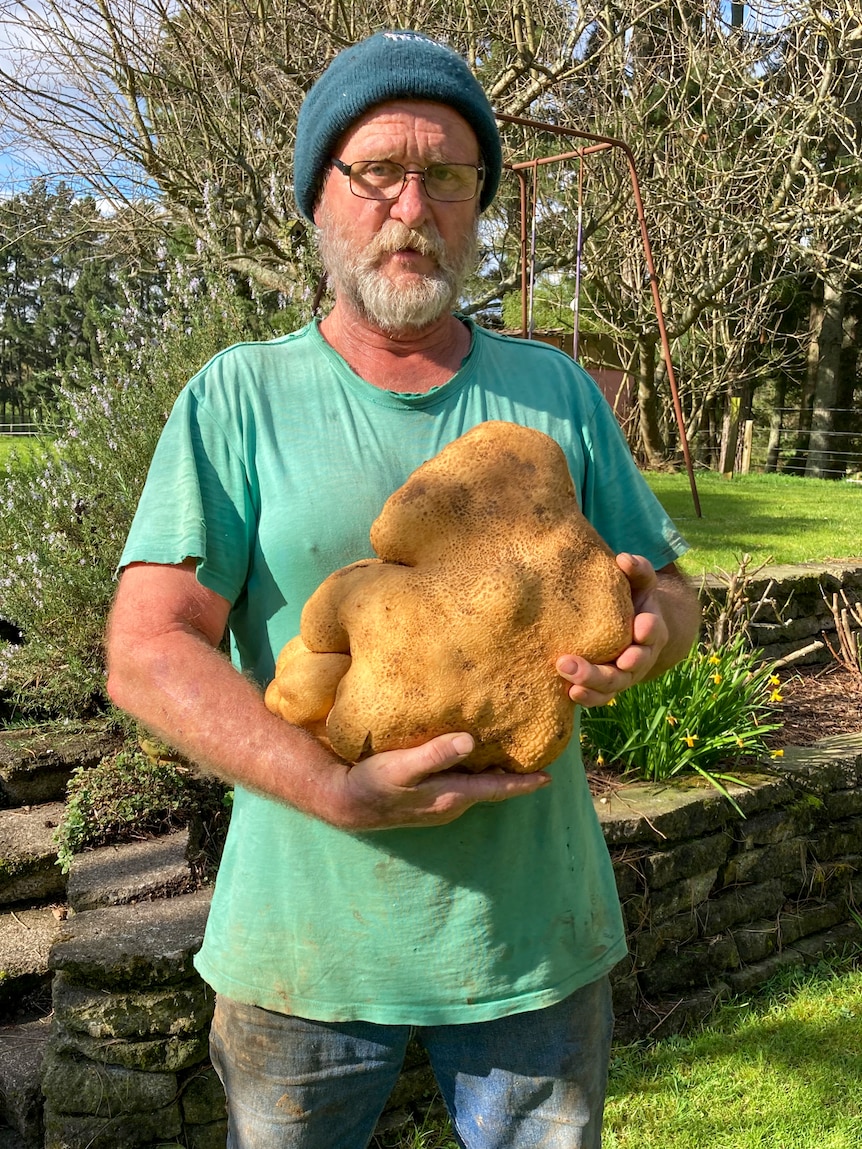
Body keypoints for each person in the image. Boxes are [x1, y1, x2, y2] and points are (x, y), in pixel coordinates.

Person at [105, 29, 701, 1149]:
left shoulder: (555, 394)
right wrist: (329, 788)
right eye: (378, 170)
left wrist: (646, 637)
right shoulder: (239, 397)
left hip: (531, 949)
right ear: (320, 199)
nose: (412, 204)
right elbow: (147, 648)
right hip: (302, 954)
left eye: (450, 176)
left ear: (479, 206)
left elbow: (669, 594)